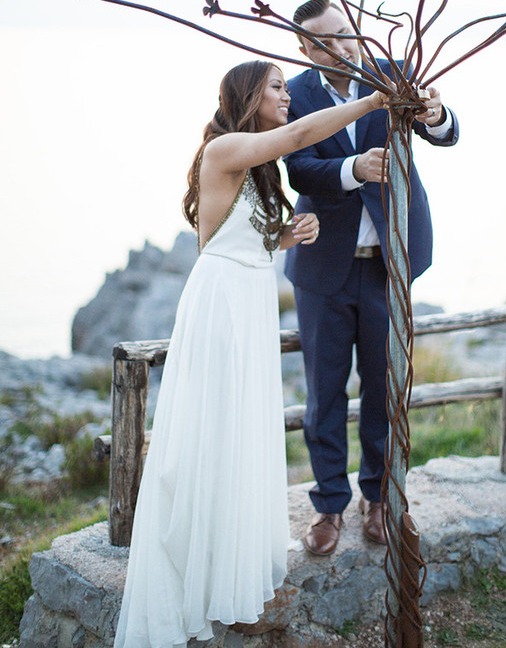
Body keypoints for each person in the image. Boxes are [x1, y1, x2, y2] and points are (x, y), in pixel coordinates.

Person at [113, 60, 390, 647]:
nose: (288, 97)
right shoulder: (226, 147)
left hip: (250, 298)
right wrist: (371, 103)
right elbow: (296, 139)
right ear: (248, 95)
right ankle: (200, 563)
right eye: (278, 87)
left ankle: (229, 568)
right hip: (220, 305)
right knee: (213, 431)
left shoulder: (257, 165)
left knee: (239, 432)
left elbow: (243, 237)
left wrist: (284, 237)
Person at [283, 0, 460, 556]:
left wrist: (436, 115)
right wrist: (350, 169)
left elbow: (447, 131)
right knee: (324, 396)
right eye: (328, 40)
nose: (344, 45)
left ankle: (379, 498)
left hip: (392, 264)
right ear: (306, 48)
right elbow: (295, 167)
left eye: (347, 32)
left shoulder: (391, 74)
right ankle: (329, 506)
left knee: (386, 389)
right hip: (323, 271)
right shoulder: (296, 95)